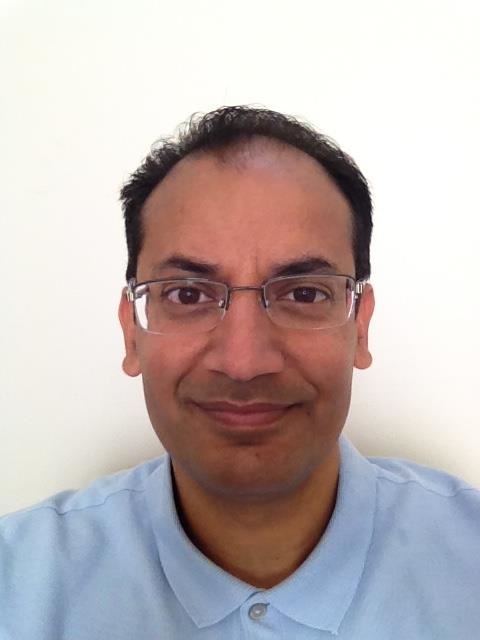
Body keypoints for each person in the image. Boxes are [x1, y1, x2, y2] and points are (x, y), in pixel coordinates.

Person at [1, 106, 479, 640]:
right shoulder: (17, 585)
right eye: (187, 295)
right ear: (131, 331)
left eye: (304, 294)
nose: (244, 363)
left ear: (360, 327)